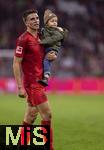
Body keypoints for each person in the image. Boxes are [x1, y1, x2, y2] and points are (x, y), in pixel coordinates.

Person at [13, 9, 56, 150]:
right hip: (33, 84)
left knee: (31, 115)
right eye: (32, 19)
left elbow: (47, 54)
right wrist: (19, 87)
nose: (36, 20)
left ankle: (22, 146)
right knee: (47, 115)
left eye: (37, 18)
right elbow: (16, 62)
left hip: (41, 81)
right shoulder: (23, 39)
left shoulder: (41, 35)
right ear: (26, 22)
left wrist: (51, 56)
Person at [38, 9, 68, 86]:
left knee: (46, 61)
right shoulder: (46, 30)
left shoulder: (57, 31)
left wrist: (41, 42)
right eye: (52, 21)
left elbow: (51, 39)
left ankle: (46, 77)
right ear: (47, 23)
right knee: (44, 61)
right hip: (47, 48)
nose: (55, 23)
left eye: (56, 21)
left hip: (52, 49)